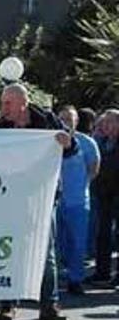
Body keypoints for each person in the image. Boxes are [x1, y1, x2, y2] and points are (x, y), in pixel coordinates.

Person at [0, 84, 73, 320]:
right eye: (2, 102)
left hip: (43, 195)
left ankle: (49, 305)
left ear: (22, 103)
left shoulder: (48, 120)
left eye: (8, 103)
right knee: (9, 249)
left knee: (46, 252)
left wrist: (66, 142)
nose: (3, 108)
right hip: (11, 197)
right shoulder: (0, 126)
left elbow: (72, 147)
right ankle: (7, 305)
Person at [56, 106, 100, 295]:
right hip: (54, 201)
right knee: (56, 242)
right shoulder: (49, 140)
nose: (67, 121)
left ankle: (76, 279)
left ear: (76, 121)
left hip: (78, 201)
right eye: (63, 118)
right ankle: (54, 280)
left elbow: (94, 168)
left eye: (70, 118)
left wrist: (83, 185)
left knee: (78, 242)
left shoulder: (87, 142)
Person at [92, 109, 119, 285]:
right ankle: (102, 272)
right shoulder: (101, 142)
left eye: (110, 122)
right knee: (102, 234)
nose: (105, 126)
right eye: (104, 122)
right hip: (104, 194)